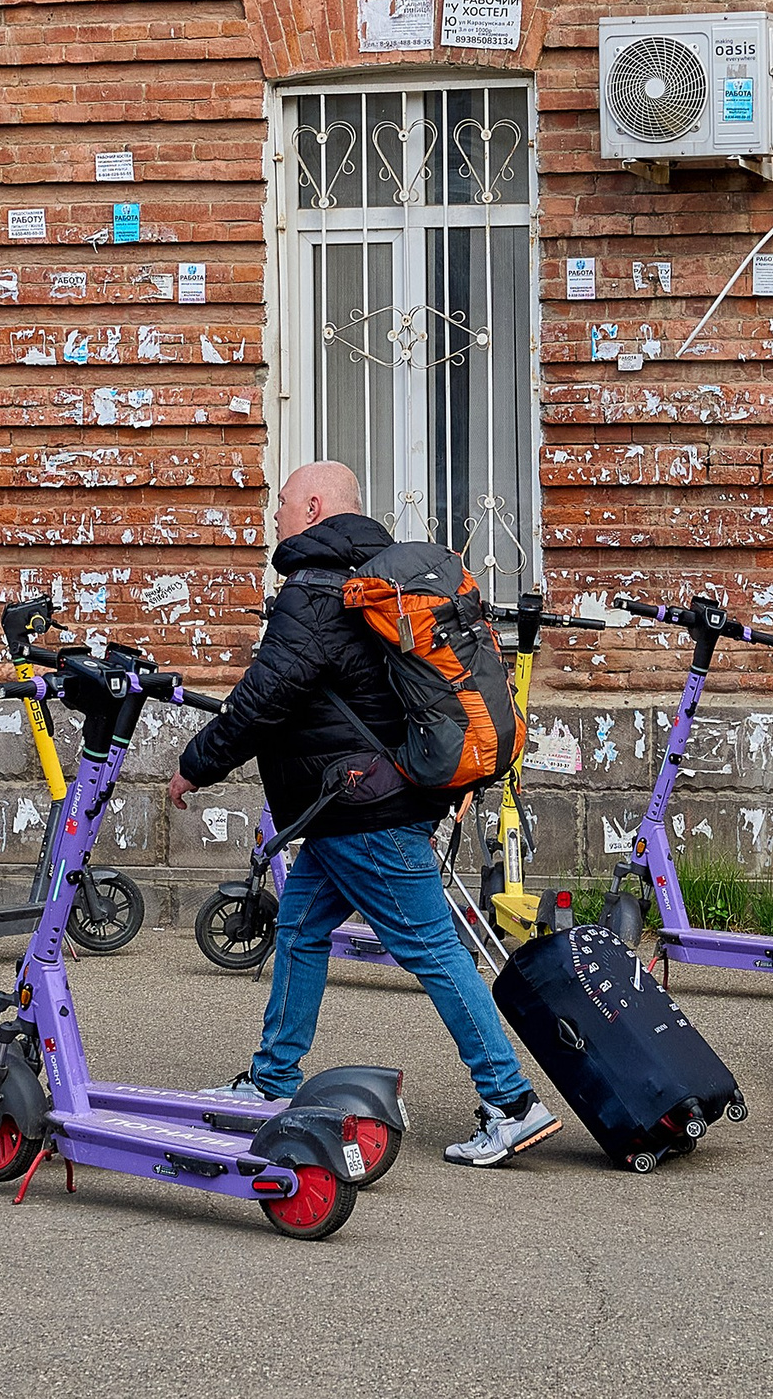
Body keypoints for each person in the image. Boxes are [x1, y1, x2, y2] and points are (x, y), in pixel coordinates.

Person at [168, 460, 558, 1167]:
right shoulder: (369, 577)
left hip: (365, 810)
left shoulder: (314, 593)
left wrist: (196, 763)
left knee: (434, 950)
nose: (275, 516)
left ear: (315, 506)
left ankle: (512, 1101)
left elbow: (264, 698)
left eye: (282, 504)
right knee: (300, 924)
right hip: (354, 804)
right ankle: (271, 1079)